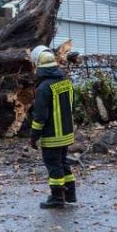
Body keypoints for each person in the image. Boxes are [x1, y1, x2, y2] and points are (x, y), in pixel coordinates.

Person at [29, 46, 76, 208]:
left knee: (54, 165)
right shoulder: (66, 82)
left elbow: (40, 117)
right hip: (67, 133)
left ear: (39, 67)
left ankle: (57, 199)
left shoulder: (43, 88)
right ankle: (70, 194)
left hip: (52, 135)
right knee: (63, 162)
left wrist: (33, 136)